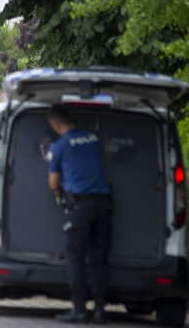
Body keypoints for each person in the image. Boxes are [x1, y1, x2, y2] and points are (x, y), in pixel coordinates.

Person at [47, 105, 110, 325]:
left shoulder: (60, 145)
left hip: (80, 207)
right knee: (99, 260)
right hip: (103, 204)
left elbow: (53, 183)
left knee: (75, 258)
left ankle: (80, 310)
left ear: (56, 125)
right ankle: (101, 311)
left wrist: (59, 193)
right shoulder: (92, 138)